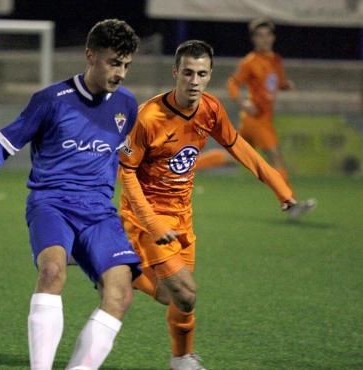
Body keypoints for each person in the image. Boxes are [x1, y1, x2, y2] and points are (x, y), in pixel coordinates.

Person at [0, 19, 141, 370]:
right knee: (52, 270)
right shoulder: (51, 101)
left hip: (98, 210)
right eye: (114, 62)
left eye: (126, 65)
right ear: (90, 55)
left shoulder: (127, 105)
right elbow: (2, 147)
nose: (121, 72)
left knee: (120, 293)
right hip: (51, 202)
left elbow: (122, 159)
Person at [118, 40, 300, 370]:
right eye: (187, 73)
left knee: (170, 297)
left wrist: (279, 187)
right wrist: (153, 222)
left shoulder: (211, 109)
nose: (194, 80)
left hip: (183, 218)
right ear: (176, 73)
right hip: (147, 217)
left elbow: (239, 148)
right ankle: (183, 359)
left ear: (209, 75)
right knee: (185, 293)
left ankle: (117, 272)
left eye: (201, 74)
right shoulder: (149, 117)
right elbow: (126, 173)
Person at [196, 18, 315, 217]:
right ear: (253, 39)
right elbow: (233, 83)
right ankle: (290, 203)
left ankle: (178, 168)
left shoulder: (275, 60)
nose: (264, 39)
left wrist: (286, 86)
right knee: (275, 158)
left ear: (273, 37)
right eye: (260, 35)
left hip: (263, 119)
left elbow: (277, 82)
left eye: (267, 35)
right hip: (256, 120)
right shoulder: (250, 61)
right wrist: (243, 102)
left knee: (231, 157)